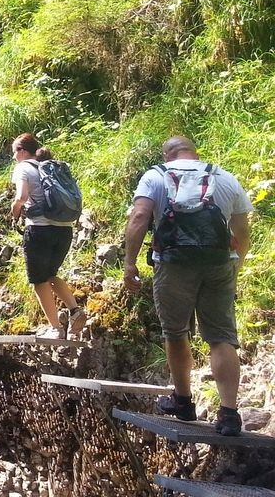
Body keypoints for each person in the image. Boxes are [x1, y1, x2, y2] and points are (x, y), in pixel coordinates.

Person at [123, 135, 252, 437]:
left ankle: (183, 401)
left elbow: (140, 215)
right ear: (194, 152)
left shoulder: (156, 176)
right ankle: (230, 414)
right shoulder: (224, 176)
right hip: (219, 264)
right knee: (221, 337)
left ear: (166, 155)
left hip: (174, 264)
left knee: (176, 332)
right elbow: (242, 228)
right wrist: (238, 261)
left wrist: (130, 263)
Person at [9, 133, 87, 340]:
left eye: (14, 153)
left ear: (23, 151)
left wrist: (15, 212)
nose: (14, 158)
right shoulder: (52, 167)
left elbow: (21, 197)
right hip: (64, 230)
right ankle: (75, 310)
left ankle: (55, 328)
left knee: (38, 280)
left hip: (39, 230)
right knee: (51, 273)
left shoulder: (23, 168)